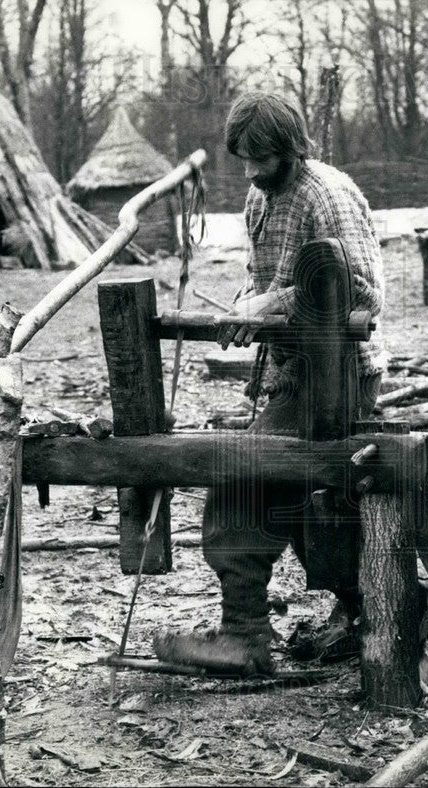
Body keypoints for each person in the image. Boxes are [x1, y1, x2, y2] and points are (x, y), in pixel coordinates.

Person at [154, 91, 386, 675]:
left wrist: (266, 307)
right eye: (244, 158)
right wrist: (243, 311)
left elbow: (362, 295)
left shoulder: (325, 198)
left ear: (291, 145)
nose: (252, 171)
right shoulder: (261, 200)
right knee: (294, 493)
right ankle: (358, 612)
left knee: (241, 475)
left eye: (263, 157)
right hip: (293, 374)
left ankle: (246, 636)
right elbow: (262, 280)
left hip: (339, 377)